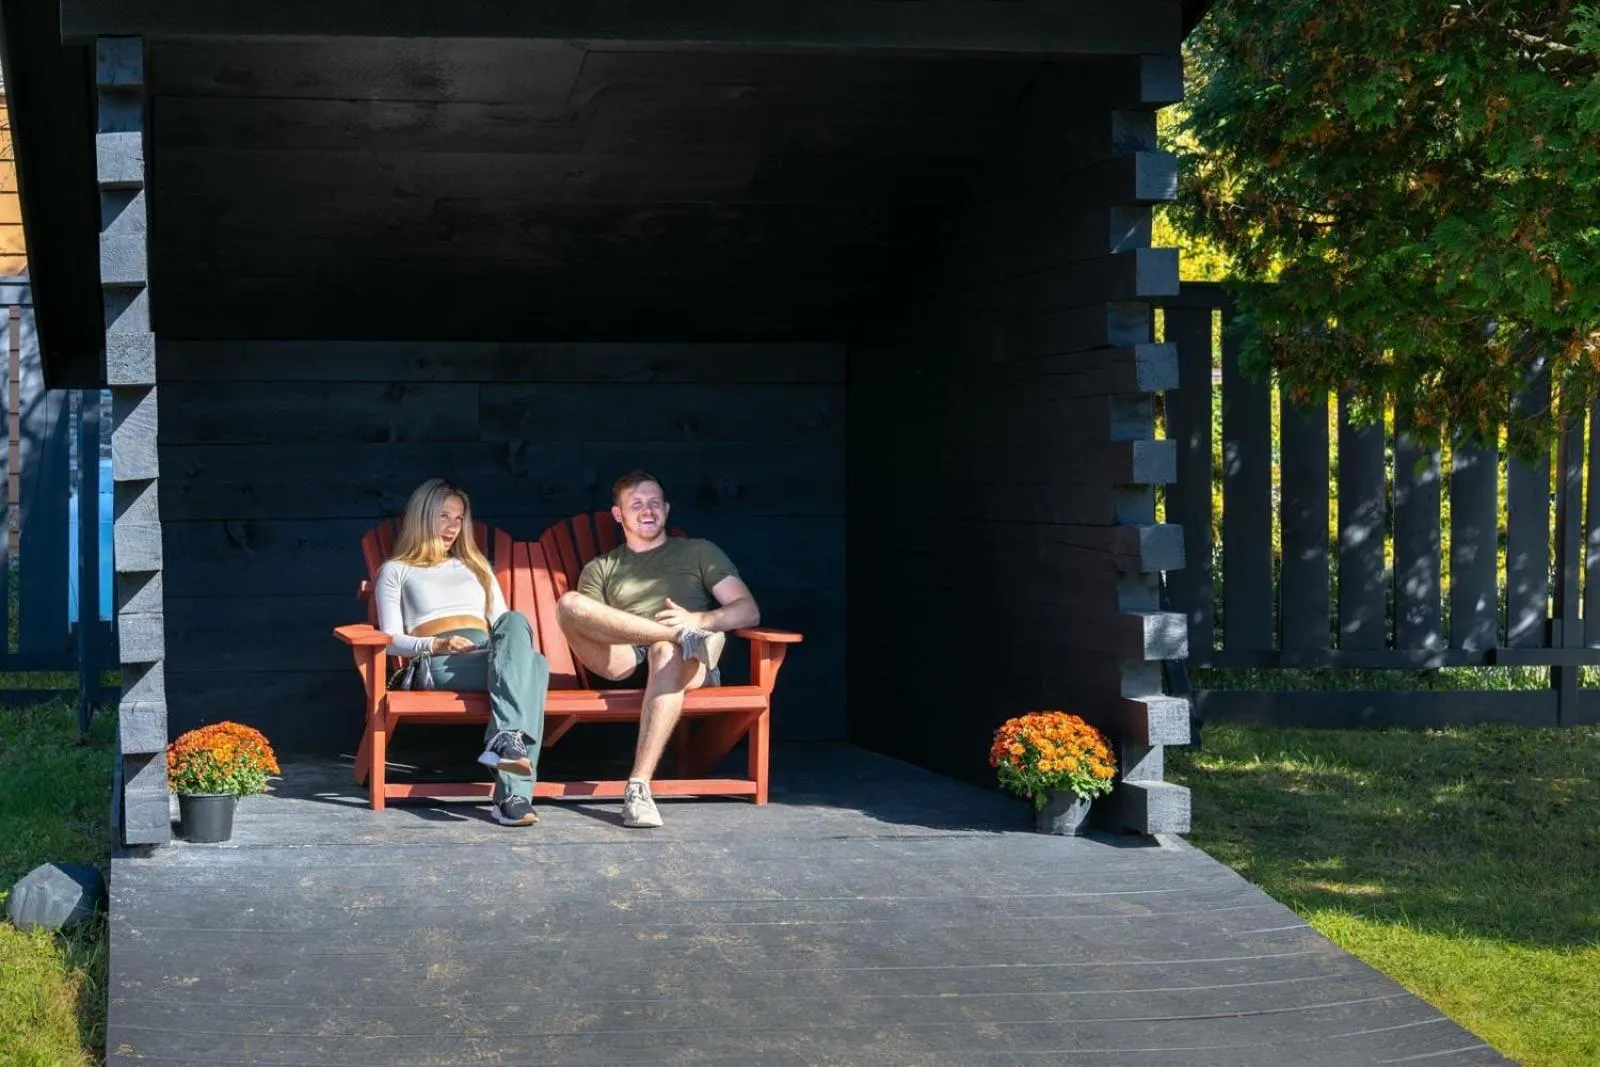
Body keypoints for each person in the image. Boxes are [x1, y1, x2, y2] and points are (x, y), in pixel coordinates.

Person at [556, 469, 761, 828]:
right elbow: (586, 622)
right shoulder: (601, 567)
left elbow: (748, 610)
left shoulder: (699, 551)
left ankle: (638, 787)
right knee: (570, 604)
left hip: (688, 661)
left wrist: (698, 621)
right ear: (618, 515)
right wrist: (665, 632)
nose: (647, 510)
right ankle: (668, 636)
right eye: (636, 504)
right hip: (621, 658)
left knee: (665, 652)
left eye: (654, 503)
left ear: (666, 509)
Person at [374, 478, 549, 827]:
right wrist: (435, 644)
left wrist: (495, 648)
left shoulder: (477, 567)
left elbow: (504, 626)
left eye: (458, 518)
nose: (452, 526)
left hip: (488, 656)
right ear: (422, 517)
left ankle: (506, 740)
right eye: (443, 516)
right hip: (439, 663)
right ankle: (512, 797)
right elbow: (390, 640)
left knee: (519, 629)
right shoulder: (396, 571)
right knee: (536, 668)